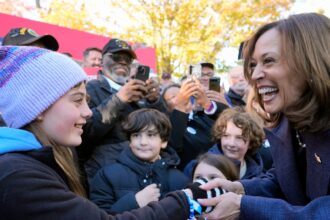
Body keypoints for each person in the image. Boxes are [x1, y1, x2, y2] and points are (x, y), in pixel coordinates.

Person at [0, 46, 198, 220]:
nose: (87, 112)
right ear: (38, 107)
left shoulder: (36, 163)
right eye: (78, 100)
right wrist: (187, 199)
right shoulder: (18, 176)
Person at [198, 13, 330, 219]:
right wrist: (241, 189)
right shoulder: (291, 125)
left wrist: (246, 206)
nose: (255, 75)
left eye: (268, 61)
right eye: (253, 65)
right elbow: (289, 178)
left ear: (311, 62)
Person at [79, 38, 166, 181]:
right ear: (101, 61)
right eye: (116, 57)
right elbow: (86, 131)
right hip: (107, 176)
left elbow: (164, 131)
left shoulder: (140, 91)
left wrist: (154, 101)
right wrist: (119, 99)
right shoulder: (90, 88)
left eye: (128, 59)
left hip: (145, 172)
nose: (123, 62)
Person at [89, 109, 189, 213]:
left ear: (163, 142)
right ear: (130, 141)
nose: (143, 142)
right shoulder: (107, 175)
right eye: (136, 135)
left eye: (151, 135)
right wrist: (135, 202)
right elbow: (99, 216)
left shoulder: (180, 180)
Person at [162, 79, 228, 170]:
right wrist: (180, 107)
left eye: (180, 93)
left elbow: (227, 122)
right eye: (173, 97)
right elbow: (174, 145)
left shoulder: (203, 115)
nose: (180, 97)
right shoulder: (168, 125)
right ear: (166, 105)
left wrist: (207, 103)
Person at [184, 107, 265, 180]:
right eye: (226, 136)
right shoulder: (196, 168)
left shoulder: (259, 175)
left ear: (251, 143)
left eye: (239, 138)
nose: (231, 143)